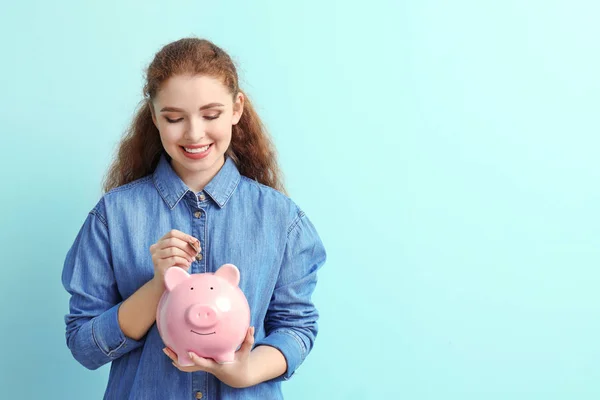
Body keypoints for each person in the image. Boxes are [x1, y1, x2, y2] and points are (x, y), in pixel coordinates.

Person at [61, 37, 327, 400]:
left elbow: (296, 328)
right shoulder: (113, 216)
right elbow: (84, 345)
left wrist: (245, 371)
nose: (194, 133)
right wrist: (159, 285)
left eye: (211, 114)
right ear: (154, 116)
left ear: (236, 109)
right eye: (174, 118)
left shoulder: (280, 218)